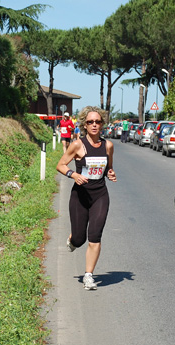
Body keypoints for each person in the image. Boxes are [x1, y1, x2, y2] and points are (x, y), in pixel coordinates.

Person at [56, 105, 117, 290]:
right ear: (84, 124)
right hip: (80, 196)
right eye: (90, 122)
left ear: (102, 124)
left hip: (100, 195)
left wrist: (111, 173)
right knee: (79, 239)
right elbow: (60, 165)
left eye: (97, 122)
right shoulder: (77, 145)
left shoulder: (108, 145)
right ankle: (73, 239)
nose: (94, 125)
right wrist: (73, 175)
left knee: (95, 237)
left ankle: (88, 276)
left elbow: (109, 168)